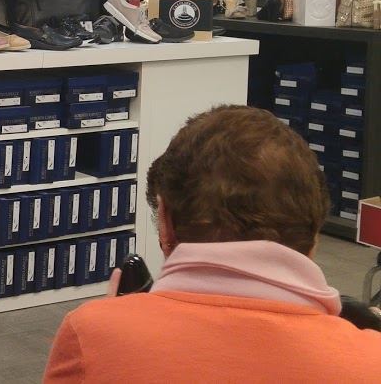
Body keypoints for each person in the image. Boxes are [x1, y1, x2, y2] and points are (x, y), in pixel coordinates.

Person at [44, 105, 381, 382]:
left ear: (165, 222)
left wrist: (116, 324)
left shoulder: (90, 334)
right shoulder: (370, 361)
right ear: (315, 235)